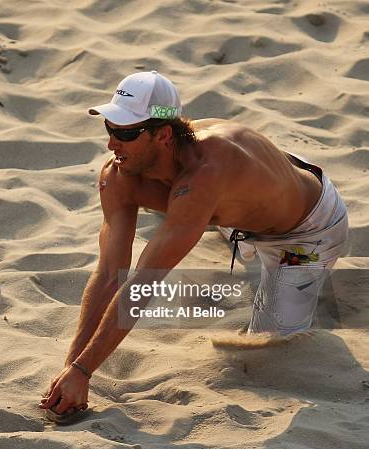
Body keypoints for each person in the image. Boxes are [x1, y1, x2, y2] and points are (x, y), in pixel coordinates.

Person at [39, 70, 348, 421]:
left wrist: (83, 371)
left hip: (307, 231)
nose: (112, 144)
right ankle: (214, 225)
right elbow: (110, 273)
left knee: (266, 355)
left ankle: (274, 264)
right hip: (238, 200)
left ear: (164, 134)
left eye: (126, 132)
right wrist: (72, 371)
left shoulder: (206, 172)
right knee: (188, 211)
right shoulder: (118, 174)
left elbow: (142, 283)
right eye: (110, 128)